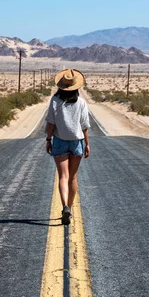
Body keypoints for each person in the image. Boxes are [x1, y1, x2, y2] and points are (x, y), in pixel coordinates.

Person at [45, 68, 90, 225]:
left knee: (63, 176)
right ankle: (69, 208)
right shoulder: (81, 103)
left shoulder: (55, 100)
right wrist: (87, 144)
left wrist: (48, 140)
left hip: (60, 140)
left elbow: (51, 122)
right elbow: (84, 126)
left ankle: (65, 206)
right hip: (76, 141)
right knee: (73, 177)